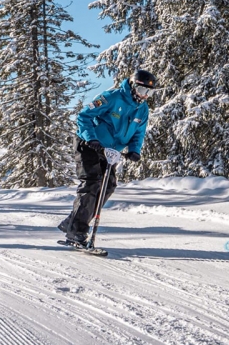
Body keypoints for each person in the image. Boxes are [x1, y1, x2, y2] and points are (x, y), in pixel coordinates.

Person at [58, 69, 157, 245]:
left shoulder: (143, 110)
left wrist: (134, 150)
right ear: (134, 87)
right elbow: (83, 116)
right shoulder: (111, 97)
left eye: (150, 92)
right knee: (91, 183)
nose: (145, 96)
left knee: (108, 185)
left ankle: (73, 222)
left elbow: (139, 133)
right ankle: (76, 231)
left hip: (110, 151)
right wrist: (91, 138)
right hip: (88, 144)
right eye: (143, 91)